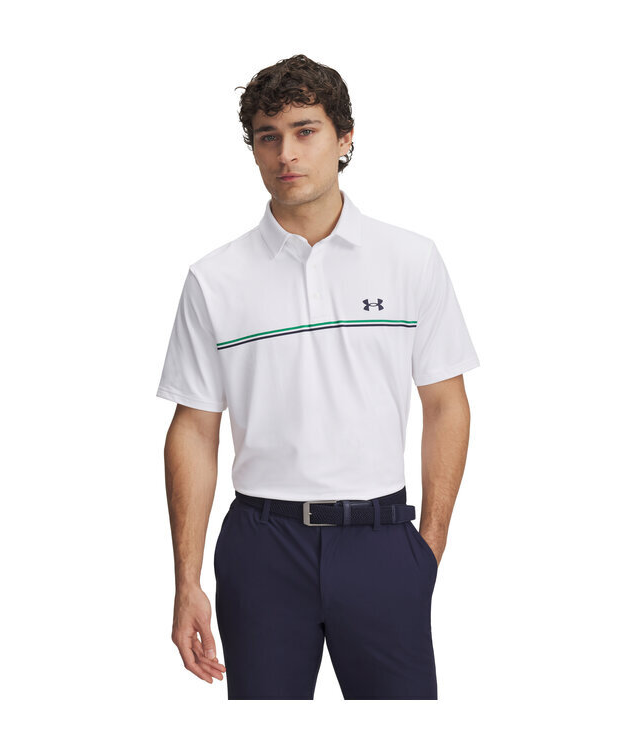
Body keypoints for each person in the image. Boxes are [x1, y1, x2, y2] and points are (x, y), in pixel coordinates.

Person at [156, 54, 480, 700]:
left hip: (383, 542)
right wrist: (186, 580)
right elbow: (193, 428)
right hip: (261, 547)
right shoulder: (214, 280)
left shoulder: (410, 260)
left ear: (345, 137)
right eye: (268, 136)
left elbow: (447, 403)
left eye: (305, 131)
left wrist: (429, 546)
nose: (286, 154)